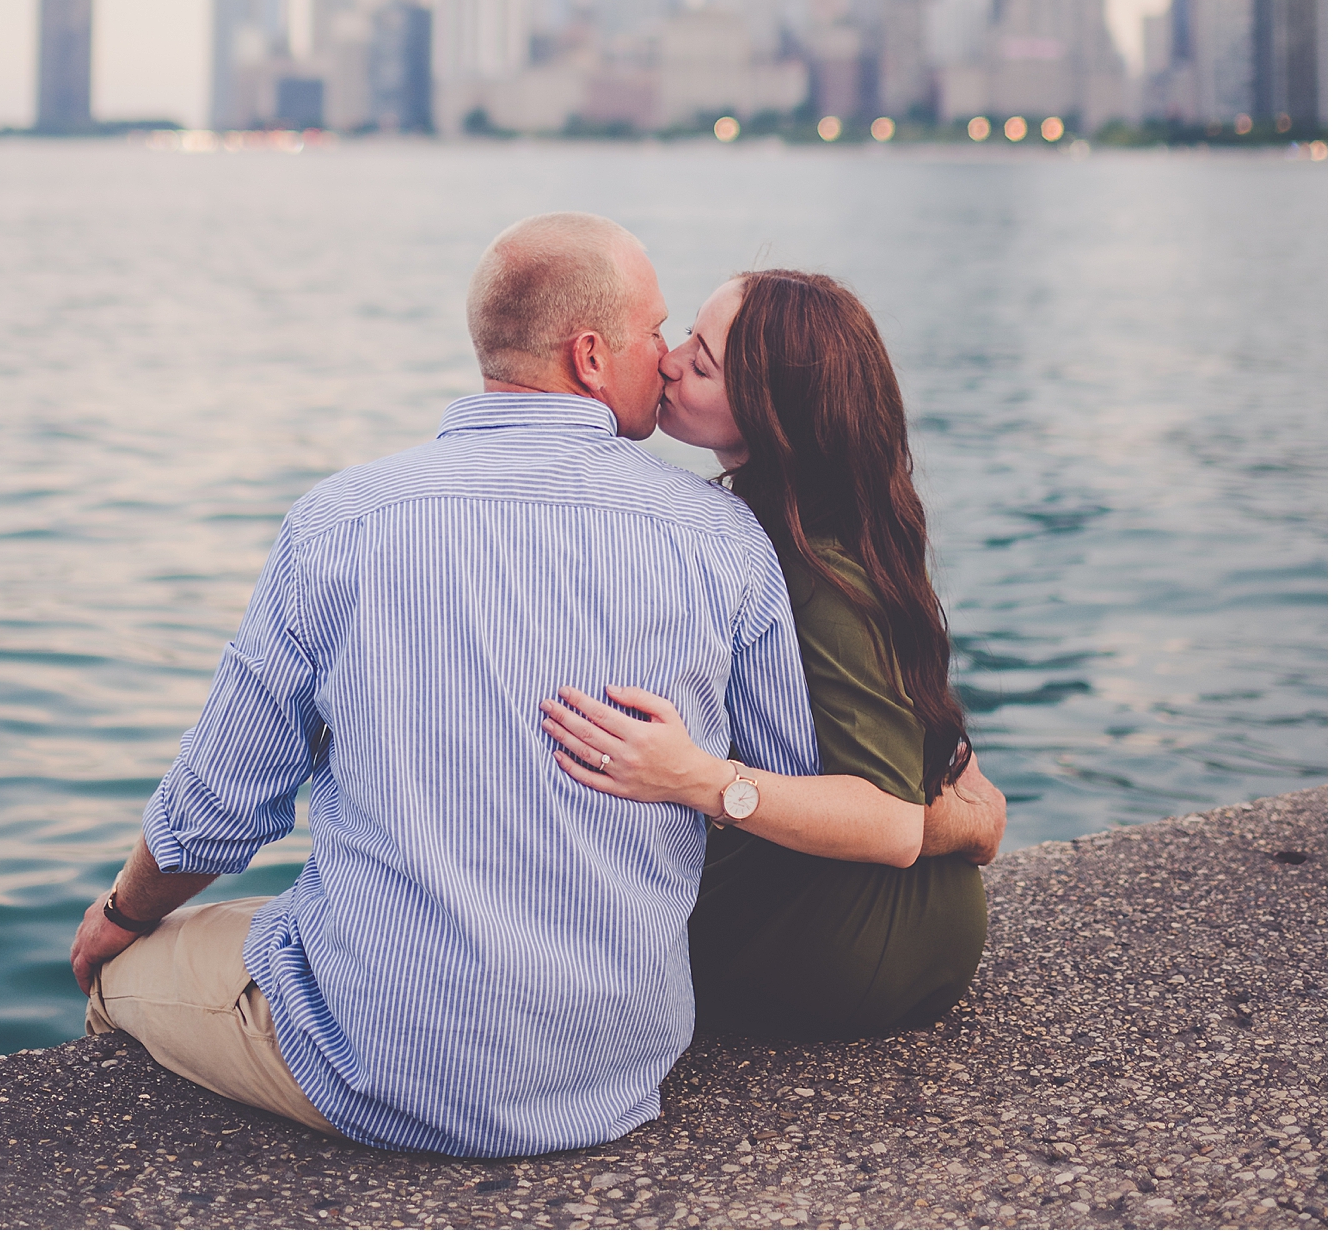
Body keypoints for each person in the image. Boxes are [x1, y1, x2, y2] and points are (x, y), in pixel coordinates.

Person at [69, 217, 918, 1160]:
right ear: (592, 357)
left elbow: (222, 803)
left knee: (131, 969)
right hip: (617, 1066)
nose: (668, 356)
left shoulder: (342, 521)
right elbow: (781, 776)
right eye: (658, 331)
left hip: (375, 1063)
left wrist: (119, 917)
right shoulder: (722, 541)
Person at [541, 268, 1006, 1043]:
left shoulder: (811, 570)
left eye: (705, 361)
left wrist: (695, 777)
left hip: (832, 953)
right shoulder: (836, 534)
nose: (670, 359)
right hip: (907, 943)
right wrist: (966, 817)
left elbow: (890, 821)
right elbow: (947, 773)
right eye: (687, 333)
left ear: (773, 416)